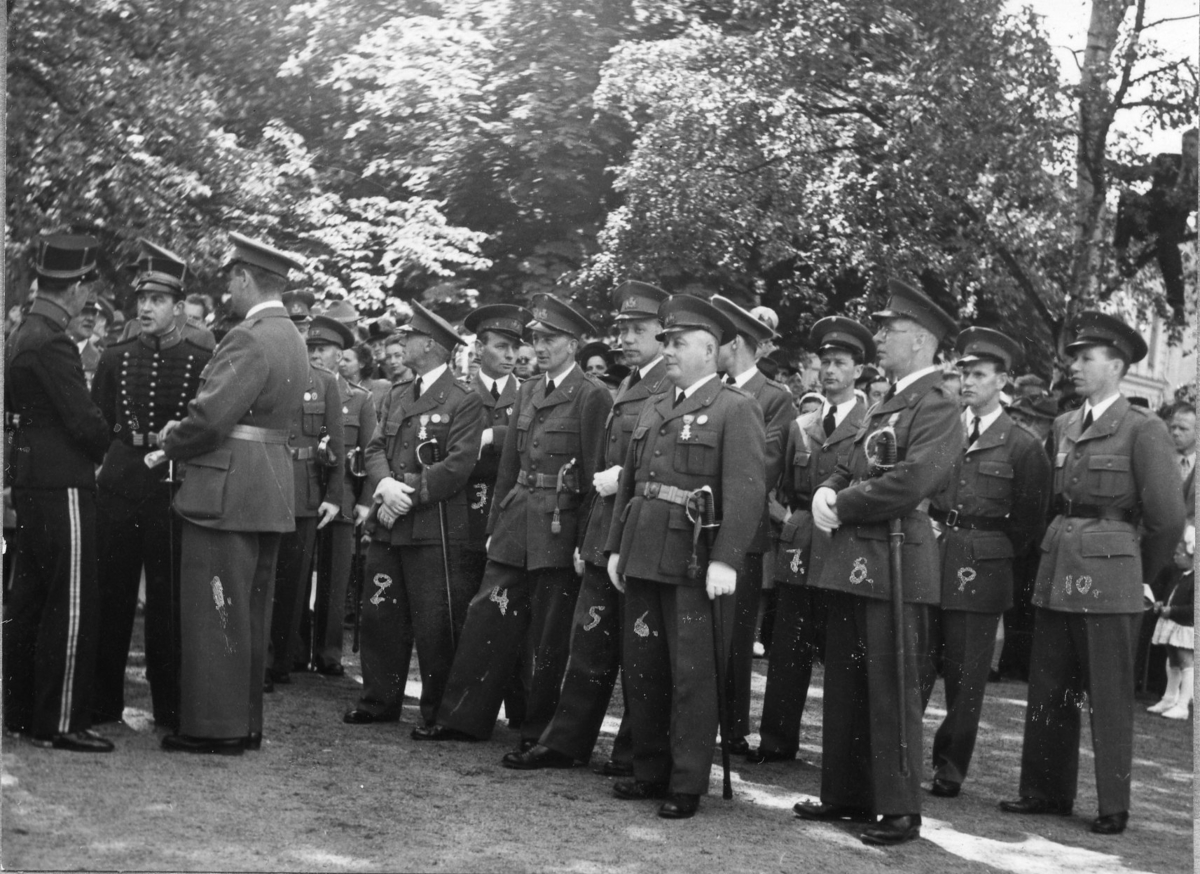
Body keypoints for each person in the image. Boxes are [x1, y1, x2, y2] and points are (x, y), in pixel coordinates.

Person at [1000, 310, 1184, 835]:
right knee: (1049, 686)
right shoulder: (1063, 424)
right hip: (1060, 567)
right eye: (1074, 356)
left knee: (1107, 692)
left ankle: (1112, 804)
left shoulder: (1142, 428)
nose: (1074, 366)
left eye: (1086, 358)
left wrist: (1141, 577)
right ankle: (1043, 791)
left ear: (1117, 365)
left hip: (1112, 574)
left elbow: (1167, 517)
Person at [796, 278, 961, 846]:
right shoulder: (889, 399)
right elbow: (851, 457)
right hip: (857, 558)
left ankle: (898, 808)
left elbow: (913, 480)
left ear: (919, 339)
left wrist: (840, 503)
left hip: (896, 559)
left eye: (889, 329)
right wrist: (828, 490)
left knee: (892, 686)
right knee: (847, 680)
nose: (881, 337)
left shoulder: (939, 404)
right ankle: (845, 793)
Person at [415, 294, 612, 746]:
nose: (540, 347)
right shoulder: (528, 388)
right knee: (488, 615)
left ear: (574, 344)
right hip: (517, 518)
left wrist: (585, 541)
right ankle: (461, 718)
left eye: (551, 339)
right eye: (537, 339)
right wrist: (494, 525)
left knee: (547, 634)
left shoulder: (592, 394)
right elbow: (508, 465)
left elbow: (594, 471)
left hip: (559, 527)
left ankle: (535, 729)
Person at [605, 293, 766, 819]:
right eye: (666, 342)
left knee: (692, 674)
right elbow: (632, 483)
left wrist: (726, 559)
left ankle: (686, 781)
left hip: (694, 558)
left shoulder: (735, 409)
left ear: (710, 350)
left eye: (678, 343)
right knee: (644, 665)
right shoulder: (656, 404)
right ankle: (649, 770)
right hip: (643, 549)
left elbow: (746, 493)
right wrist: (615, 547)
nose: (667, 351)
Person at [503, 280, 669, 774]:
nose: (627, 338)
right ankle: (565, 741)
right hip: (605, 532)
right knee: (588, 643)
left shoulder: (666, 385)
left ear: (664, 334)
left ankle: (634, 752)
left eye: (639, 329)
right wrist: (589, 537)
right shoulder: (626, 383)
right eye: (623, 329)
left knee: (641, 650)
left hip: (641, 534)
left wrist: (629, 478)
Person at [157, 232, 310, 755]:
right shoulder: (291, 335)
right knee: (248, 614)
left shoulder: (248, 337)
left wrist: (169, 439)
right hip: (269, 488)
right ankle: (243, 724)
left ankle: (213, 728)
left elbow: (210, 417)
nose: (227, 290)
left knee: (214, 609)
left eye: (230, 279)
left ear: (245, 279)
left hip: (226, 489)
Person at [919, 328, 1050, 798]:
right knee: (915, 663)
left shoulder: (1022, 444)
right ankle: (894, 757)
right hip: (933, 552)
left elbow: (1030, 520)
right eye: (964, 373)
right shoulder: (945, 428)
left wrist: (988, 547)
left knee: (965, 676)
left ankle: (948, 769)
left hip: (983, 563)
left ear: (1002, 381)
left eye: (978, 374)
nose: (968, 382)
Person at [90, 239, 213, 731]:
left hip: (169, 485)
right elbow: (99, 420)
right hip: (121, 479)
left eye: (157, 300)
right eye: (141, 299)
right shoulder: (114, 357)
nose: (145, 307)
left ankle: (169, 707)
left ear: (178, 307)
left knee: (167, 601)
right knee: (112, 595)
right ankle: (103, 704)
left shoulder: (199, 358)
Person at [343, 302, 483, 726]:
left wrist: (408, 493)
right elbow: (373, 449)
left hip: (433, 528)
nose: (401, 344)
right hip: (390, 522)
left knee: (435, 624)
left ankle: (437, 711)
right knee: (380, 614)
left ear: (430, 345)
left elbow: (459, 464)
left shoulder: (464, 400)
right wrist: (385, 486)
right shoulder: (397, 394)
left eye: (409, 338)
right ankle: (378, 701)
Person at [4, 233, 114, 752]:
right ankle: (62, 720)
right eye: (84, 291)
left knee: (28, 598)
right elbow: (84, 422)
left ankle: (23, 711)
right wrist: (108, 442)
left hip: (30, 479)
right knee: (69, 602)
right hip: (63, 481)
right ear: (73, 290)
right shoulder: (53, 340)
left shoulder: (24, 332)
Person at [751, 316, 872, 764]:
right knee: (788, 647)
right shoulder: (801, 425)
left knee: (843, 652)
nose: (830, 371)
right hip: (800, 541)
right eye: (825, 363)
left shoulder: (871, 422)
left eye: (840, 363)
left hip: (846, 544)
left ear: (859, 370)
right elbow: (777, 485)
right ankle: (776, 742)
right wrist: (789, 522)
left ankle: (840, 755)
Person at [710, 294, 793, 756]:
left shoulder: (774, 398)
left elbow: (764, 465)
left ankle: (733, 726)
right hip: (700, 525)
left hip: (741, 531)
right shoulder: (711, 388)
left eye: (717, 340)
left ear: (735, 343)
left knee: (738, 636)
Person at [460, 304, 532, 730]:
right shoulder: (459, 391)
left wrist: (491, 438)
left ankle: (519, 709)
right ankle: (467, 704)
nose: (510, 356)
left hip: (504, 516)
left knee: (510, 614)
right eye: (501, 346)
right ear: (479, 348)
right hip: (459, 514)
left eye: (514, 348)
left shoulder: (527, 393)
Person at [266, 315, 344, 685]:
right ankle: (260, 658)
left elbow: (337, 447)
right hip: (268, 483)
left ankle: (280, 661)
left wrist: (333, 495)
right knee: (263, 575)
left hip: (305, 491)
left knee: (294, 582)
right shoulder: (268, 370)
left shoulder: (325, 383)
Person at [307, 316, 375, 675]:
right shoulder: (298, 389)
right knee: (299, 574)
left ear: (340, 355)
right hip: (303, 494)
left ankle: (328, 654)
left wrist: (364, 500)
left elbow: (370, 451)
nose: (316, 355)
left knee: (335, 580)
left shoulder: (360, 399)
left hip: (344, 499)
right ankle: (295, 649)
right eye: (311, 348)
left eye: (324, 349)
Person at [1147, 533, 1195, 719]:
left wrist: (1172, 611)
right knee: (1173, 659)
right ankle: (1169, 698)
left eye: (1179, 554)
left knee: (1185, 661)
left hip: (1185, 626)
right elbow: (1168, 593)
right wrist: (1160, 603)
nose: (1175, 557)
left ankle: (1183, 706)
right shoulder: (1177, 573)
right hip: (1173, 622)